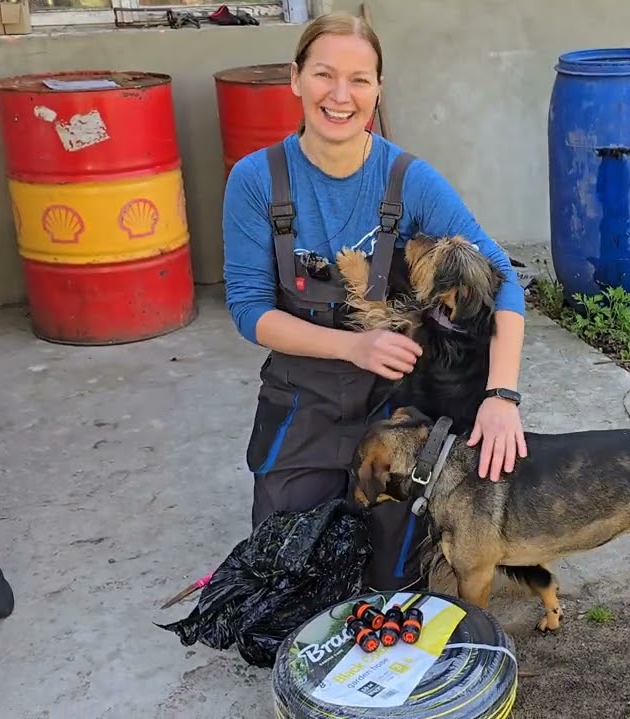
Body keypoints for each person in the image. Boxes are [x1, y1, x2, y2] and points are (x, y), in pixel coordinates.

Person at [221, 12, 528, 588]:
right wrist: (353, 346)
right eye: (324, 75)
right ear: (295, 78)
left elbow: (503, 278)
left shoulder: (409, 179)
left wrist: (501, 396)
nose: (341, 96)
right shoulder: (256, 179)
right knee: (286, 573)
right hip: (303, 392)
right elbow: (248, 309)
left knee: (392, 583)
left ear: (378, 89)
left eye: (360, 79)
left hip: (399, 401)